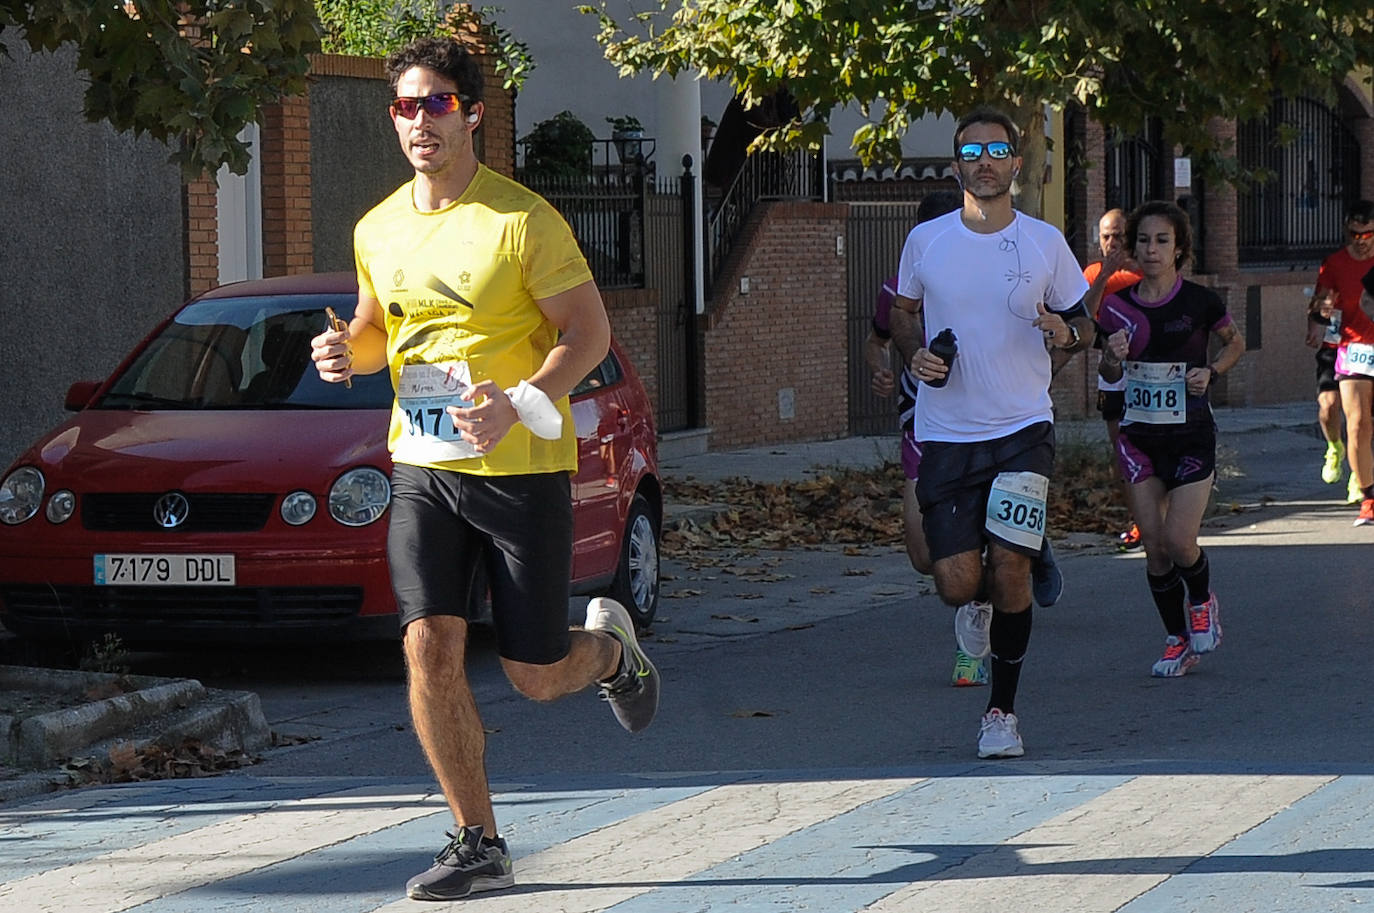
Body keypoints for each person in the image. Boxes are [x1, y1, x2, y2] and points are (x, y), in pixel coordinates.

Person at [308, 36, 660, 902]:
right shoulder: (378, 225)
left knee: (534, 673)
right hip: (423, 462)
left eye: (435, 104)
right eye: (404, 105)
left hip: (519, 468)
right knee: (427, 645)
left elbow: (589, 334)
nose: (419, 121)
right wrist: (343, 352)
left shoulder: (521, 220)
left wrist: (522, 396)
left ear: (469, 113)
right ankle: (477, 840)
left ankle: (612, 653)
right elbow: (376, 327)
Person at [894, 107, 1094, 759]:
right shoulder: (926, 241)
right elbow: (902, 311)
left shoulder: (1045, 242)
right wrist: (913, 355)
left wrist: (1067, 334)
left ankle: (1001, 712)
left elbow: (1082, 323)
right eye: (971, 151)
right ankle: (990, 583)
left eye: (997, 149)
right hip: (948, 433)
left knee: (1008, 564)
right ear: (956, 167)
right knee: (954, 579)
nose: (985, 160)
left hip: (1022, 426)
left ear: (1015, 163)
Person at [1097, 201, 1245, 677]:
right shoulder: (1118, 307)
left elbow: (1234, 342)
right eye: (1143, 240)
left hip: (1190, 436)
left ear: (1179, 247)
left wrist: (1213, 371)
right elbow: (1105, 370)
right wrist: (1113, 358)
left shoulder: (1200, 301)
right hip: (1138, 438)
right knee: (1154, 547)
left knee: (1181, 541)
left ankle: (1202, 601)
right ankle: (1176, 639)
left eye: (1162, 241)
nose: (1152, 249)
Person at [866, 189, 994, 686]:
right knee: (924, 556)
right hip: (922, 430)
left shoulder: (992, 280)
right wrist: (879, 370)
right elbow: (876, 341)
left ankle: (976, 631)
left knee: (983, 546)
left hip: (987, 430)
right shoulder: (898, 290)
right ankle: (993, 574)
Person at [1082, 209, 1145, 549]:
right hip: (1113, 375)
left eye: (1119, 236)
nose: (1112, 243)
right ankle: (1138, 523)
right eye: (1106, 236)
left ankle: (1159, 516)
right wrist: (1104, 275)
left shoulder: (1147, 270)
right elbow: (1081, 317)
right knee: (1123, 450)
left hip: (1150, 373)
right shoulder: (1093, 273)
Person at [1312, 200, 1374, 519]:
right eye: (1354, 234)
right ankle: (1364, 490)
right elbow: (1323, 300)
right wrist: (1317, 323)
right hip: (1349, 346)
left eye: (1367, 235)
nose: (1359, 241)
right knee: (1353, 419)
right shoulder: (1335, 263)